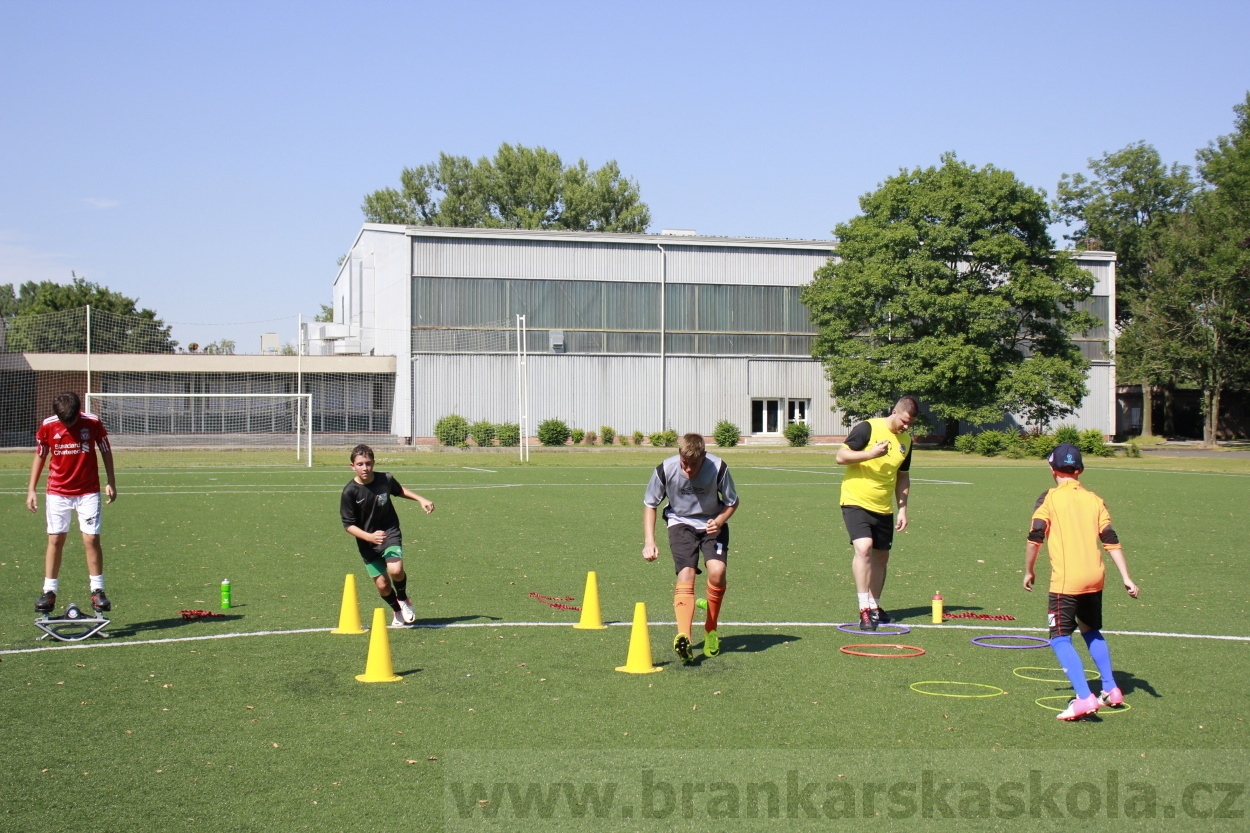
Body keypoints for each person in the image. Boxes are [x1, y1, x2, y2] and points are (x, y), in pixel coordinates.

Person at [1024, 442, 1139, 720]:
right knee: (1090, 630)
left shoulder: (1048, 499)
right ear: (1080, 470)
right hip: (1094, 579)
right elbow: (1110, 540)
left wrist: (1028, 570)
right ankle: (1111, 689)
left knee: (1059, 638)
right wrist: (1126, 577)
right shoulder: (1094, 499)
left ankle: (1084, 697)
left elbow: (1036, 536)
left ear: (1052, 469)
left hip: (1067, 581)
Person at [642, 433, 739, 664]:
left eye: (693, 465)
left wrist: (721, 520)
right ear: (679, 455)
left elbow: (732, 502)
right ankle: (683, 636)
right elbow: (650, 504)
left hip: (712, 524)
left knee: (717, 572)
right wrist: (649, 541)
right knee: (686, 573)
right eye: (684, 464)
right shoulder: (665, 469)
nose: (688, 470)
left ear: (703, 457)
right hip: (680, 523)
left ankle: (711, 630)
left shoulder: (718, 467)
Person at [26, 392, 117, 616]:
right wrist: (31, 489)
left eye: (72, 420)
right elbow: (40, 454)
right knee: (56, 538)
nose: (68, 425)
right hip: (57, 491)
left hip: (88, 491)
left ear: (78, 411)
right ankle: (49, 591)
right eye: (64, 421)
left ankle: (97, 590)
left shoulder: (93, 422)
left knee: (91, 538)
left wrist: (111, 482)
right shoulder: (48, 426)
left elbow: (105, 449)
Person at [836, 395, 917, 630]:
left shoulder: (906, 441)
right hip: (856, 500)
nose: (906, 426)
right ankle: (863, 609)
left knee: (882, 557)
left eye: (910, 424)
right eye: (903, 421)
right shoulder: (868, 428)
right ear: (894, 412)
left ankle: (875, 606)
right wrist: (870, 454)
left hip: (883, 506)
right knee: (864, 548)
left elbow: (903, 475)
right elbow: (841, 457)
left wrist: (902, 508)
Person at [340, 444, 435, 627]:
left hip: (389, 532)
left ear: (373, 463)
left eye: (368, 463)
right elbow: (348, 525)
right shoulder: (349, 492)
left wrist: (421, 499)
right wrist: (369, 537)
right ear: (352, 466)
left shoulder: (385, 479)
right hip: (367, 542)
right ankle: (397, 610)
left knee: (396, 570)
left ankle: (403, 598)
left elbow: (400, 491)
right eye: (360, 464)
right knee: (383, 586)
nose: (365, 468)